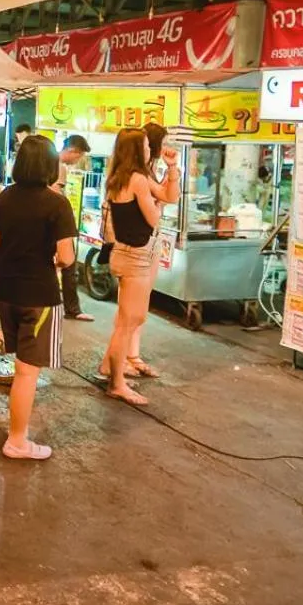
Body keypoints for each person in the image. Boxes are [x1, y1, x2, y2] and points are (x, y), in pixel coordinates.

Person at [0, 135, 76, 461]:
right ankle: (16, 441)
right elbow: (66, 257)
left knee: (18, 367)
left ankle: (17, 434)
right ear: (51, 166)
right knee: (27, 372)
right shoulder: (57, 203)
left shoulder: (6, 196)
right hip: (39, 295)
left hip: (6, 292)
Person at [100, 126, 180, 405]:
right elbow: (154, 218)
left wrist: (172, 169)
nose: (150, 149)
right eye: (146, 145)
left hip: (125, 253)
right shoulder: (137, 179)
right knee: (128, 322)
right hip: (135, 256)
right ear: (137, 149)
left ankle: (110, 370)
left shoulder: (119, 177)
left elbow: (170, 196)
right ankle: (117, 383)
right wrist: (156, 205)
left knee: (128, 319)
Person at [56, 135, 94, 322]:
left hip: (51, 222)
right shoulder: (60, 167)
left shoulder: (48, 161)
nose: (77, 161)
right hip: (58, 224)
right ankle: (72, 309)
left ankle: (70, 307)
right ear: (72, 151)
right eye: (78, 157)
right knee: (69, 264)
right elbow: (56, 194)